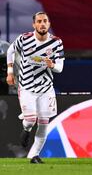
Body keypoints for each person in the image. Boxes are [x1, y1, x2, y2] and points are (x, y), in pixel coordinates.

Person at [6, 11, 65, 164]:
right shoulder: (24, 39)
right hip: (26, 86)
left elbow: (60, 68)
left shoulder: (56, 42)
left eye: (45, 21)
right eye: (39, 21)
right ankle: (26, 128)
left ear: (49, 24)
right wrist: (10, 72)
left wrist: (52, 65)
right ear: (34, 24)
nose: (42, 24)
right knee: (31, 120)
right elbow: (10, 51)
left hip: (46, 89)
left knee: (44, 122)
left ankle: (34, 155)